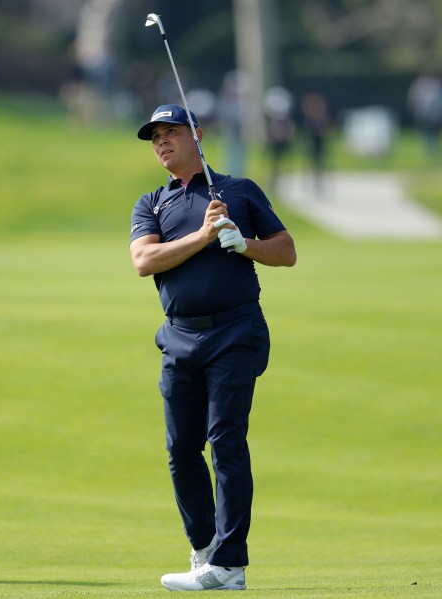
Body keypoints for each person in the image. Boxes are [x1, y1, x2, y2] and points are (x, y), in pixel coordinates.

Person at [129, 104, 297, 592]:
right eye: (154, 136)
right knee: (181, 449)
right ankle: (203, 553)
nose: (161, 142)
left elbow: (285, 252)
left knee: (225, 440)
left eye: (170, 133)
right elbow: (144, 260)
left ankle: (229, 564)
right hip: (179, 336)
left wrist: (242, 242)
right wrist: (205, 236)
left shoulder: (238, 192)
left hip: (235, 331)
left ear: (196, 136)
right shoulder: (151, 204)